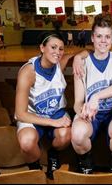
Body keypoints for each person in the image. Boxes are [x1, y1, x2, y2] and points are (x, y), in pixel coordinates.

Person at [71, 14, 112, 174]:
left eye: (107, 36)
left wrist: (96, 97)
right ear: (92, 38)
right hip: (92, 115)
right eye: (99, 36)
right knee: (77, 134)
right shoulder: (82, 63)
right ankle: (87, 166)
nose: (103, 40)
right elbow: (77, 101)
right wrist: (81, 112)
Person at [14, 32, 73, 179]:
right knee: (27, 142)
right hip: (32, 115)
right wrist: (53, 122)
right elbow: (20, 114)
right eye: (53, 47)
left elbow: (82, 52)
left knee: (66, 135)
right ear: (42, 48)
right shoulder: (28, 71)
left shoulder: (59, 64)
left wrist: (77, 58)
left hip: (56, 112)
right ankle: (35, 168)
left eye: (61, 49)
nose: (58, 52)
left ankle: (53, 154)